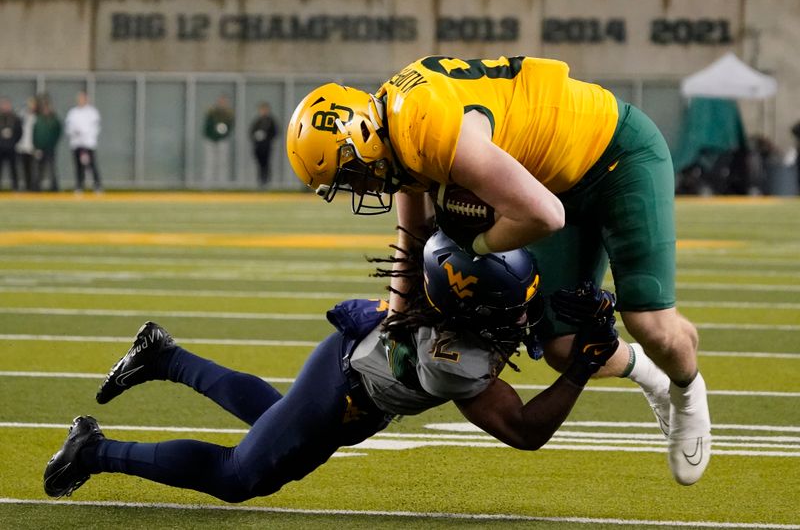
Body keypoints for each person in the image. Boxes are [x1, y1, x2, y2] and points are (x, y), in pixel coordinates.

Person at [286, 55, 711, 485]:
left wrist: (474, 245)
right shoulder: (394, 129)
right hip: (548, 179)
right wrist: (396, 323)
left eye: (354, 175)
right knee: (564, 348)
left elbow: (545, 216)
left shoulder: (424, 130)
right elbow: (413, 231)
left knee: (650, 324)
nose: (360, 188)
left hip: (615, 155)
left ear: (362, 137)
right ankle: (653, 377)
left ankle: (688, 391)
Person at [43, 230, 626, 501]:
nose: (520, 316)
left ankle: (166, 357)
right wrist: (576, 370)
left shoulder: (451, 279)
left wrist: (587, 313)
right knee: (239, 476)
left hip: (351, 361)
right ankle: (93, 451)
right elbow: (523, 430)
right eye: (509, 307)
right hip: (346, 390)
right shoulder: (455, 360)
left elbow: (500, 298)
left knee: (275, 418)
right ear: (469, 313)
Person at [64, 91, 102, 193]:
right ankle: (79, 186)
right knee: (78, 166)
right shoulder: (73, 112)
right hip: (76, 144)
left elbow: (95, 127)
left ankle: (97, 185)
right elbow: (68, 127)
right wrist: (75, 133)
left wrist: (85, 134)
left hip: (88, 144)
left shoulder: (92, 112)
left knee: (92, 165)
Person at [203, 95, 235, 187]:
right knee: (210, 162)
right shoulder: (212, 112)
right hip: (210, 140)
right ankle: (208, 184)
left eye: (224, 101)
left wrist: (223, 135)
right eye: (221, 101)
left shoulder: (229, 114)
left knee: (223, 163)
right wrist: (211, 136)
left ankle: (222, 184)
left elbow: (230, 127)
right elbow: (207, 127)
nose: (222, 103)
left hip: (223, 140)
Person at [32, 97, 63, 192]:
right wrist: (36, 147)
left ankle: (54, 187)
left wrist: (53, 143)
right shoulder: (39, 119)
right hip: (40, 148)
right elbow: (35, 134)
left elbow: (58, 132)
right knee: (39, 168)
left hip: (50, 147)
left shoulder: (54, 120)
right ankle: (37, 187)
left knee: (52, 167)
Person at [249, 102, 278, 188]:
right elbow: (251, 132)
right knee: (260, 164)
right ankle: (260, 181)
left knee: (266, 164)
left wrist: (267, 137)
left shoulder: (271, 121)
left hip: (267, 146)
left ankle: (267, 181)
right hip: (258, 146)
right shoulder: (257, 121)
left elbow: (275, 132)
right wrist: (257, 136)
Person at [0, 97, 22, 191]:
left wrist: (13, 141)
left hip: (11, 147)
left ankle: (15, 187)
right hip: (0, 147)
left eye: (6, 105)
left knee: (13, 168)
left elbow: (19, 132)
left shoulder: (15, 118)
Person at [16, 97, 38, 191]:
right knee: (23, 168)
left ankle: (33, 187)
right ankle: (24, 187)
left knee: (33, 168)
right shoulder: (22, 115)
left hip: (33, 146)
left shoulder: (37, 117)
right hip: (22, 146)